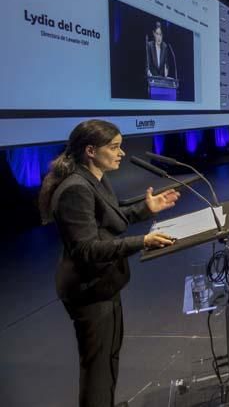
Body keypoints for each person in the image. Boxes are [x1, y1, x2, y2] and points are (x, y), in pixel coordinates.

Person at [39, 120, 180, 407]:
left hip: (104, 284)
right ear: (90, 150)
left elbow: (109, 218)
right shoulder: (75, 189)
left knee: (109, 358)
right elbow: (87, 249)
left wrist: (146, 208)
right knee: (97, 369)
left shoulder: (94, 178)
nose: (122, 153)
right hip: (87, 290)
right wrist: (142, 241)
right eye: (114, 147)